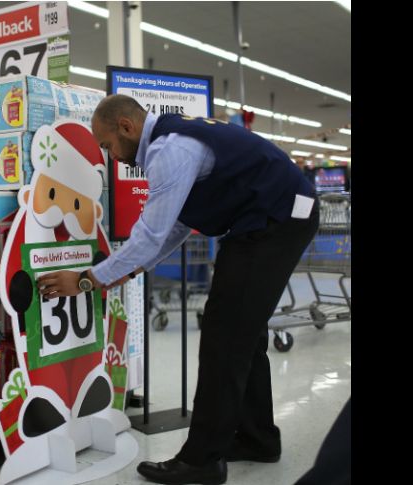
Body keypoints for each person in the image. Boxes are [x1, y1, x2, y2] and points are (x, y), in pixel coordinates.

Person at [36, 94, 320, 484]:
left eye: (107, 145)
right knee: (243, 335)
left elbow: (151, 235)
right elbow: (176, 226)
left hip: (275, 219)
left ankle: (202, 459)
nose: (110, 156)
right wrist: (130, 270)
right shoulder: (171, 143)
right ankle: (258, 439)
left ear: (126, 127)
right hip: (269, 217)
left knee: (224, 336)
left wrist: (87, 279)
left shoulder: (170, 151)